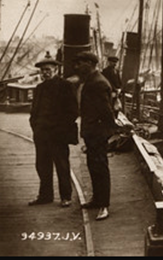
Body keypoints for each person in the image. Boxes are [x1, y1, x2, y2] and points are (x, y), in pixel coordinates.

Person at [28, 53, 79, 207]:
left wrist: (60, 130)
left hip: (58, 135)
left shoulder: (65, 86)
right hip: (41, 134)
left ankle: (66, 197)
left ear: (56, 69)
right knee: (42, 166)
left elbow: (73, 112)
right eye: (42, 70)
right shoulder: (39, 88)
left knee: (62, 166)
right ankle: (45, 196)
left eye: (48, 69)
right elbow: (35, 112)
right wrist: (35, 127)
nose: (45, 72)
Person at [74, 51, 118, 221]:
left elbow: (106, 112)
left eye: (80, 63)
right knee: (93, 166)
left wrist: (110, 131)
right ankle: (97, 199)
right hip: (92, 132)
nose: (77, 67)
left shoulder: (97, 83)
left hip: (98, 133)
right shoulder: (91, 81)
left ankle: (104, 205)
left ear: (90, 64)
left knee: (101, 168)